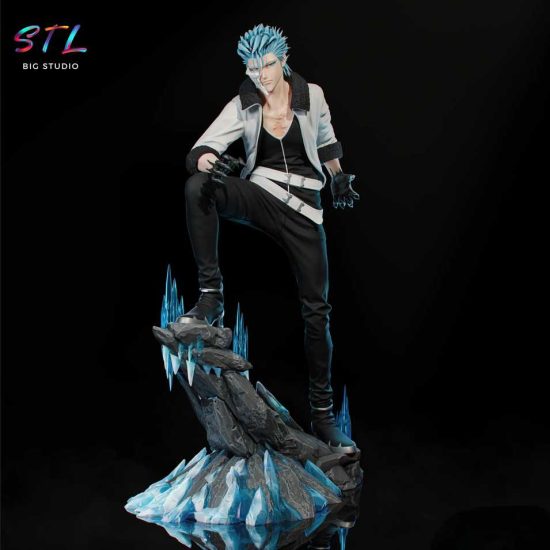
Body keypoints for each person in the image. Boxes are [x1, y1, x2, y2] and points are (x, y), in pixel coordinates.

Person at [177, 24, 360, 454]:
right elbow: (200, 150)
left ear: (283, 60)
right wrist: (209, 161)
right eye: (252, 68)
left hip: (305, 209)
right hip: (261, 192)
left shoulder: (312, 96)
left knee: (317, 312)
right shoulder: (244, 103)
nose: (261, 75)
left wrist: (338, 178)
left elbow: (327, 143)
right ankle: (210, 295)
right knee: (197, 187)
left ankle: (323, 417)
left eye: (268, 65)